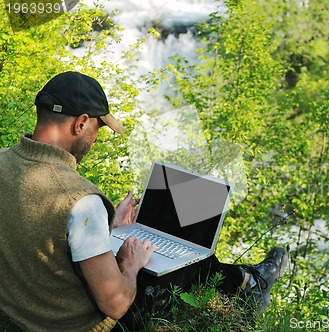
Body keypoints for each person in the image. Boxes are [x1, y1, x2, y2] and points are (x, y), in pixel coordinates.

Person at [0, 71, 288, 332]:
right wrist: (130, 265)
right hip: (72, 322)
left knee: (181, 251)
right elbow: (116, 304)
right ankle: (250, 283)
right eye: (98, 128)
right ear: (81, 123)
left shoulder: (3, 163)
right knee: (185, 262)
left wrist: (107, 228)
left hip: (20, 309)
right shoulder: (80, 200)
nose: (95, 139)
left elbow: (42, 233)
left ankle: (248, 281)